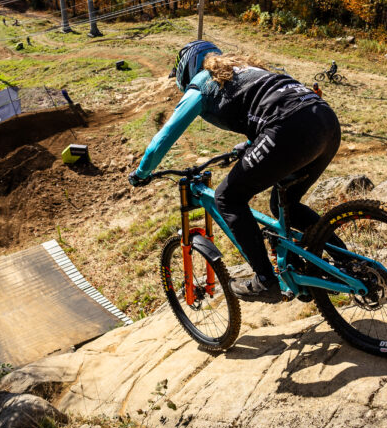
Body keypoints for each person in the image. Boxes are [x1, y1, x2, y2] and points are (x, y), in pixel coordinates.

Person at [129, 41, 341, 303]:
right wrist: (249, 145)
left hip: (289, 127)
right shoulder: (246, 69)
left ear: (186, 68)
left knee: (227, 198)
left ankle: (266, 280)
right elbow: (270, 105)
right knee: (285, 204)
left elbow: (164, 137)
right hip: (324, 120)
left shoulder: (202, 83)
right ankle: (346, 263)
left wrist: (142, 172)